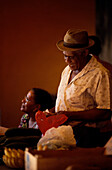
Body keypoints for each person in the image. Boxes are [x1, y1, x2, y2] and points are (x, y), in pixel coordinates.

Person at [49, 29, 112, 147]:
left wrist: (69, 116)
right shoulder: (67, 70)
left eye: (72, 57)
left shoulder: (100, 73)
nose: (67, 61)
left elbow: (104, 112)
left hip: (87, 136)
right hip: (64, 132)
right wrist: (52, 112)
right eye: (65, 56)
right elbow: (69, 102)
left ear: (84, 53)